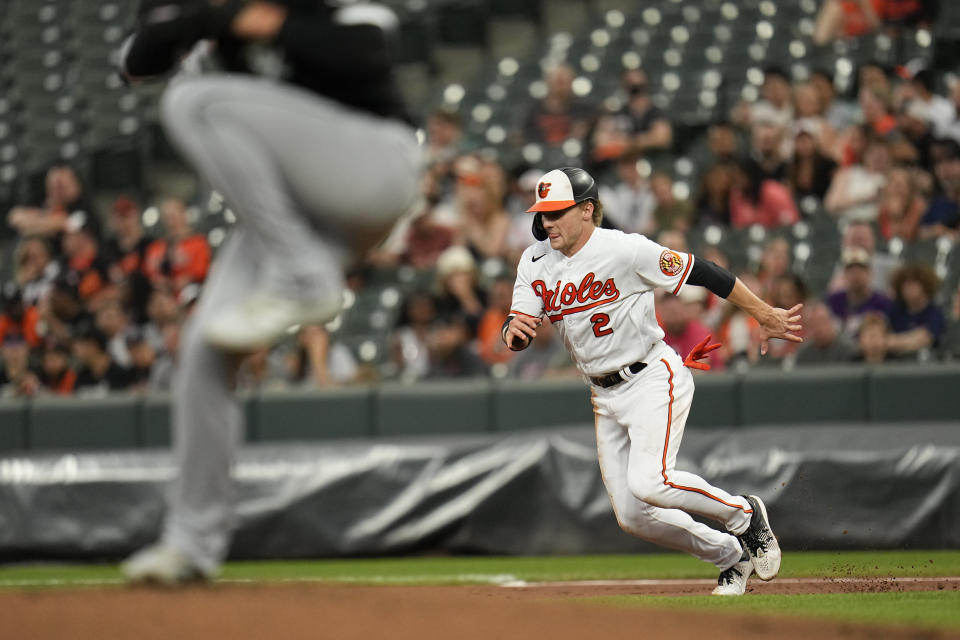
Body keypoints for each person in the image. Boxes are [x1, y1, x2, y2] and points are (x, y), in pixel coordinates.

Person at [120, 0, 421, 584]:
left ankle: (301, 275)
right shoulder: (217, 15)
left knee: (193, 102)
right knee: (206, 347)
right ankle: (191, 544)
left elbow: (369, 51)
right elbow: (134, 59)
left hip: (372, 164)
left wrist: (276, 25)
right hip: (299, 213)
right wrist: (214, 19)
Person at [503, 167, 802, 596]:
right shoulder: (535, 260)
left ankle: (744, 516)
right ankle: (730, 556)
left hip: (650, 376)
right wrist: (513, 332)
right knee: (632, 515)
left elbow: (705, 272)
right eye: (542, 213)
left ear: (587, 210)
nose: (547, 222)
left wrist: (764, 313)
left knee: (650, 482)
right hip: (603, 395)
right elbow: (520, 319)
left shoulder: (626, 250)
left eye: (556, 212)